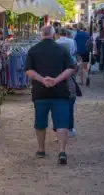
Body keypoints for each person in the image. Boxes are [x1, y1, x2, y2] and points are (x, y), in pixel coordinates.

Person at [25, 25, 75, 165]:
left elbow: (28, 70)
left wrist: (42, 80)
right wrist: (56, 80)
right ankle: (62, 151)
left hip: (40, 92)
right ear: (54, 34)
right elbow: (71, 68)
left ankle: (41, 149)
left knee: (40, 123)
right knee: (62, 123)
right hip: (60, 92)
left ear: (41, 35)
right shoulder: (62, 49)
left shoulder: (33, 50)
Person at [55, 28, 77, 137]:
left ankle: (57, 127)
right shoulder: (72, 42)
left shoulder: (55, 43)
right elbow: (73, 53)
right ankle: (70, 127)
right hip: (70, 69)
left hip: (58, 70)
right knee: (70, 101)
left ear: (58, 34)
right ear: (67, 34)